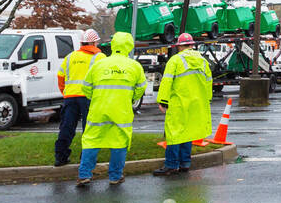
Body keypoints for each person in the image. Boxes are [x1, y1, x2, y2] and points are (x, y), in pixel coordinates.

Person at [77, 31, 148, 186]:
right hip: (121, 111)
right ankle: (115, 176)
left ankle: (84, 175)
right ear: (129, 46)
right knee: (119, 142)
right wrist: (131, 98)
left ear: (113, 44)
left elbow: (86, 87)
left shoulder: (99, 64)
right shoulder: (134, 66)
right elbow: (141, 88)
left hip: (99, 109)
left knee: (91, 141)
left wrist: (96, 97)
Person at [153, 32, 213, 177]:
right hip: (196, 103)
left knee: (174, 134)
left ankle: (171, 165)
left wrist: (162, 100)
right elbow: (208, 82)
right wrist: (207, 99)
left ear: (180, 46)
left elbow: (166, 81)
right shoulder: (203, 61)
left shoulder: (175, 60)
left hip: (178, 103)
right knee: (188, 133)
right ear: (192, 45)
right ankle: (185, 163)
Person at [53, 29, 104, 167]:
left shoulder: (70, 57)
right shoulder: (99, 58)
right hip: (89, 98)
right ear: (94, 42)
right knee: (89, 129)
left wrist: (66, 92)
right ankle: (86, 159)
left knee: (66, 127)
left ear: (82, 42)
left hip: (70, 97)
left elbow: (60, 77)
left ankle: (60, 157)